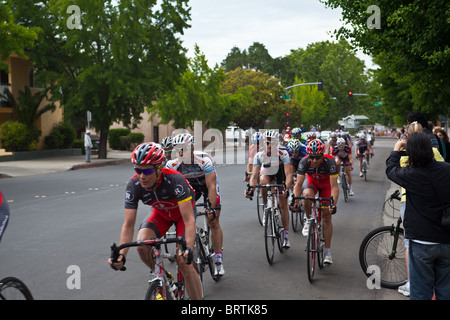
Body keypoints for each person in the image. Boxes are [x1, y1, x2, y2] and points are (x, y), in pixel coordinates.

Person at [108, 142, 202, 300]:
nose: (142, 176)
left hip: (182, 216)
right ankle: (162, 278)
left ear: (159, 168)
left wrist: (189, 248)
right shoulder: (134, 185)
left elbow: (189, 220)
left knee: (183, 261)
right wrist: (121, 255)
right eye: (138, 170)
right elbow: (129, 225)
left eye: (147, 171)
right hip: (161, 214)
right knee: (142, 245)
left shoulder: (175, 180)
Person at [386, 132, 450, 300]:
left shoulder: (411, 174)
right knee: (446, 289)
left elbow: (391, 170)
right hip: (446, 238)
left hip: (421, 240)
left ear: (410, 153)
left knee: (421, 291)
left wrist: (396, 149)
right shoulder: (446, 170)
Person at [167, 133, 225, 279]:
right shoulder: (172, 165)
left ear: (192, 148)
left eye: (184, 149)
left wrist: (211, 208)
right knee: (186, 220)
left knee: (213, 221)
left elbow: (211, 187)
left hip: (206, 186)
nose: (181, 153)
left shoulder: (204, 161)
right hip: (190, 189)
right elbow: (172, 191)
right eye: (177, 149)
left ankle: (218, 260)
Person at [292, 139, 339, 265]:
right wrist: (294, 201)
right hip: (312, 182)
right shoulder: (304, 161)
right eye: (312, 157)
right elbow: (298, 184)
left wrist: (333, 204)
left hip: (326, 185)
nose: (313, 161)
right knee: (306, 195)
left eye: (317, 158)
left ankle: (328, 252)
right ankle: (308, 219)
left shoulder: (330, 162)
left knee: (326, 217)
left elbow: (334, 187)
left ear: (322, 155)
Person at [245, 129, 294, 249]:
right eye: (267, 143)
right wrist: (251, 189)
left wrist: (286, 188)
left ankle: (286, 236)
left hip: (281, 173)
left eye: (271, 143)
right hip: (268, 172)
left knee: (282, 202)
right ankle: (266, 204)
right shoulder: (259, 155)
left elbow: (288, 175)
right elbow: (254, 176)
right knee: (263, 181)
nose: (269, 145)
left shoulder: (283, 153)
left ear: (277, 143)